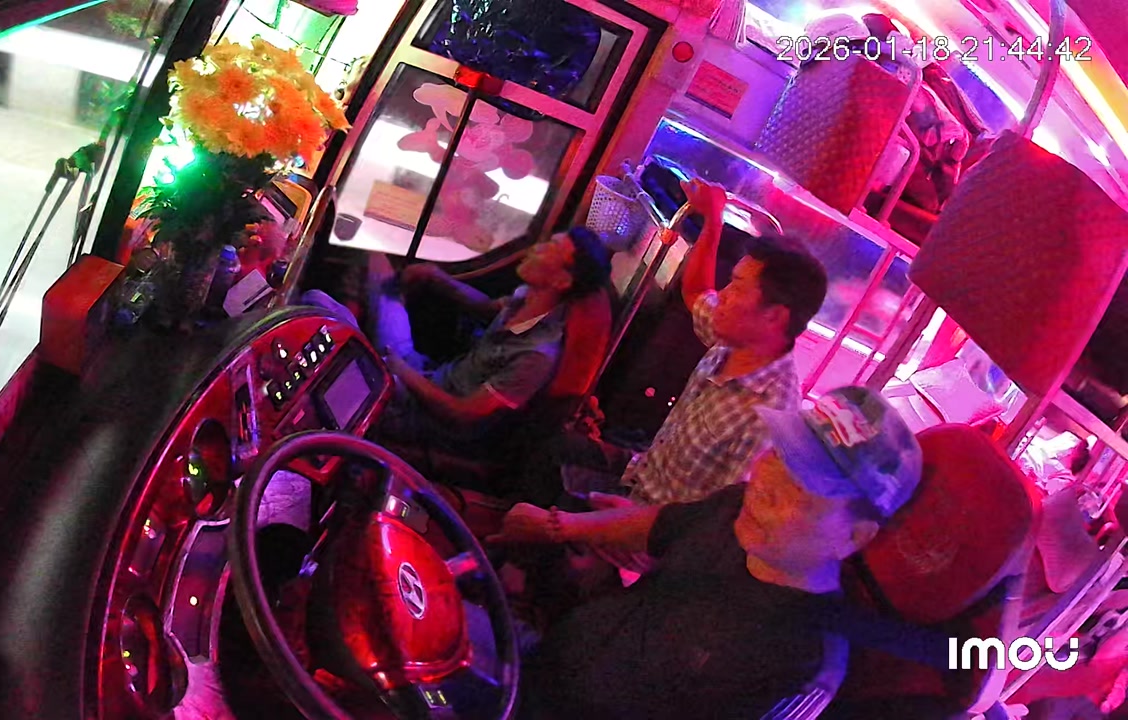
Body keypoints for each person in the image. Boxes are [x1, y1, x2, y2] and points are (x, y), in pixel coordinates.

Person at [491, 386, 924, 719]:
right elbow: (661, 524)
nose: (764, 483)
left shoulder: (803, 663)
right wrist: (561, 526)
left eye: (803, 486)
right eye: (780, 453)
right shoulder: (735, 510)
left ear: (855, 537)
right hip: (538, 661)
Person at [541, 178, 830, 507]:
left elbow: (706, 524)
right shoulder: (738, 338)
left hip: (644, 523)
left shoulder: (767, 420)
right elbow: (695, 291)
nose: (722, 295)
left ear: (774, 316)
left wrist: (605, 524)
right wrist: (712, 221)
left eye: (737, 286)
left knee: (537, 501)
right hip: (638, 474)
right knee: (542, 437)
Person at [304, 227, 612, 457]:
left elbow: (462, 414)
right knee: (372, 251)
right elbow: (485, 308)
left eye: (549, 248)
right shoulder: (529, 298)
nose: (535, 247)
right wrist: (436, 276)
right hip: (420, 372)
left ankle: (351, 348)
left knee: (317, 304)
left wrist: (400, 371)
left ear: (561, 281)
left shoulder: (536, 357)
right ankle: (352, 334)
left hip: (418, 415)